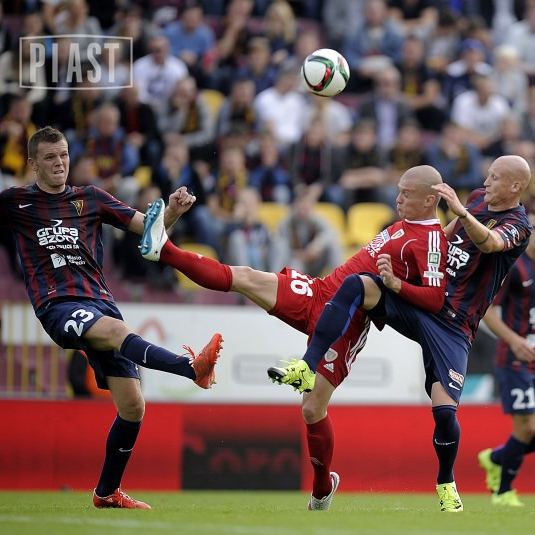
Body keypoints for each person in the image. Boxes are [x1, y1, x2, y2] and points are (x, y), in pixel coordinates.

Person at [139, 165, 447, 510]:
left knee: (312, 409)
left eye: (406, 193)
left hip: (348, 322)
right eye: (399, 190)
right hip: (321, 291)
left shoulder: (431, 241)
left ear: (429, 200)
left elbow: (435, 296)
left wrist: (396, 285)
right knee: (245, 277)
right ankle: (162, 249)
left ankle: (322, 486)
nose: (397, 198)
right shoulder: (410, 225)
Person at [270, 155, 533, 512]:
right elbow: (446, 232)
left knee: (444, 412)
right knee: (357, 285)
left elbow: (489, 243)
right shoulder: (476, 199)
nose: (486, 182)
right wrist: (429, 245)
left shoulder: (519, 225)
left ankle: (446, 482)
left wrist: (461, 212)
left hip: (455, 325)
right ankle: (307, 366)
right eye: (487, 175)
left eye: (495, 178)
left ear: (515, 186)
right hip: (425, 302)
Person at [0, 126, 223, 509]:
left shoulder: (91, 198)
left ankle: (107, 492)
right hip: (57, 304)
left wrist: (173, 211)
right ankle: (190, 368)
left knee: (133, 406)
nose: (59, 163)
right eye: (49, 157)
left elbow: (149, 229)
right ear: (33, 164)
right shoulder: (15, 201)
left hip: (100, 302)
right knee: (116, 331)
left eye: (63, 155)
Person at [478, 203, 535, 507]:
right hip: (514, 360)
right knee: (527, 427)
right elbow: (487, 310)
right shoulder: (515, 266)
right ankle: (503, 492)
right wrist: (514, 339)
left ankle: (496, 458)